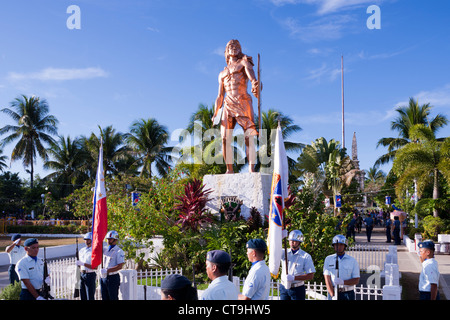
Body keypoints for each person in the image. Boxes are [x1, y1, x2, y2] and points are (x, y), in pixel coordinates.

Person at [212, 39, 260, 174]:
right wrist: (216, 112)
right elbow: (220, 96)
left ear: (239, 49)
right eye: (230, 46)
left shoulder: (244, 62)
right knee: (224, 138)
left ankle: (251, 168)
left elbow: (253, 79)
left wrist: (256, 85)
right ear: (226, 52)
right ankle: (229, 169)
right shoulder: (221, 74)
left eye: (236, 46)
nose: (233, 47)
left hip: (243, 101)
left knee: (248, 136)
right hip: (227, 103)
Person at [279, 230, 315, 300]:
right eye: (290, 240)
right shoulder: (284, 252)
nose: (292, 242)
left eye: (295, 241)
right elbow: (273, 252)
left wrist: (294, 278)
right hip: (284, 287)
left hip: (297, 288)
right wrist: (280, 238)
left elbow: (311, 275)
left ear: (299, 242)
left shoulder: (305, 256)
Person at [323, 235, 360, 300]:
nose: (338, 247)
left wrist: (343, 282)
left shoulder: (352, 260)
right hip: (333, 292)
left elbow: (356, 280)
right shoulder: (328, 259)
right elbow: (327, 279)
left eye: (341, 245)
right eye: (336, 245)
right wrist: (332, 295)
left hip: (348, 293)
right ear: (334, 246)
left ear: (345, 246)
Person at [100, 230, 125, 300]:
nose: (108, 240)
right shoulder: (105, 250)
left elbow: (120, 266)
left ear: (115, 240)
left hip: (113, 277)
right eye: (107, 239)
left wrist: (107, 270)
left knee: (113, 297)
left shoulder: (119, 251)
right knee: (104, 297)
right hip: (103, 277)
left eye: (110, 239)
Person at [76, 232, 96, 300]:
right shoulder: (81, 250)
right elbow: (79, 264)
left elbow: (95, 267)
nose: (86, 241)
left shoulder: (94, 251)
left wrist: (83, 264)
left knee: (90, 296)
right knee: (83, 296)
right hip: (82, 274)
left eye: (88, 239)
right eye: (85, 239)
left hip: (90, 274)